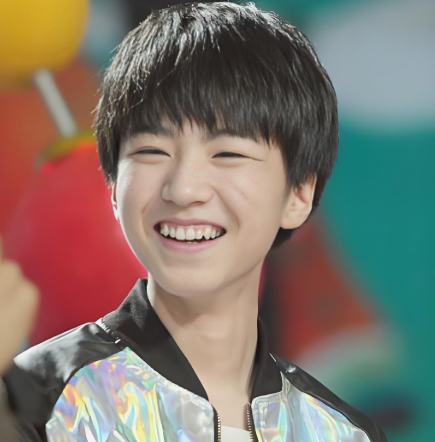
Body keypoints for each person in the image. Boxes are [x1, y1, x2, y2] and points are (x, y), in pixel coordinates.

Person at [0, 2, 388, 441]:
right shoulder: (34, 405)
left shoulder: (341, 433)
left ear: (299, 195)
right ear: (113, 185)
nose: (184, 189)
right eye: (152, 151)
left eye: (228, 153)